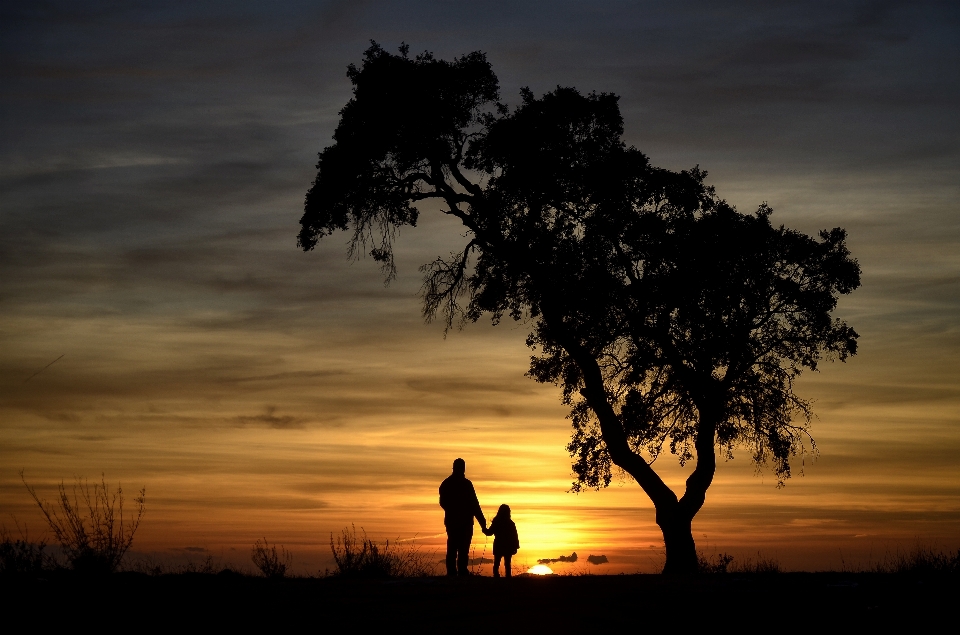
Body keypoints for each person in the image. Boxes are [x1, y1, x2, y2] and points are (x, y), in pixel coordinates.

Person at [439, 458, 486, 576]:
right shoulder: (459, 484)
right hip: (459, 521)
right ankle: (455, 571)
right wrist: (482, 522)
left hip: (457, 521)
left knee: (459, 547)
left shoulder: (449, 483)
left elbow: (474, 504)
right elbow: (474, 504)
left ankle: (458, 571)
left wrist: (482, 522)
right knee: (457, 547)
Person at [482, 504, 520, 578]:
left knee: (497, 562)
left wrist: (484, 529)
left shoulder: (497, 522)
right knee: (507, 563)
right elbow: (515, 536)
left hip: (499, 544)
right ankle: (508, 577)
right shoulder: (511, 523)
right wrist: (516, 546)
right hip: (508, 545)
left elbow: (489, 532)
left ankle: (496, 576)